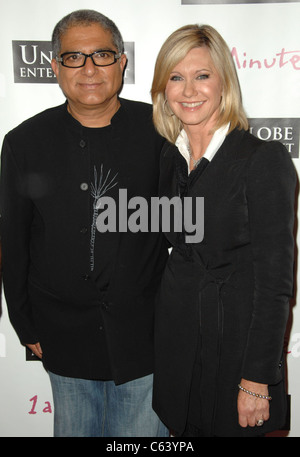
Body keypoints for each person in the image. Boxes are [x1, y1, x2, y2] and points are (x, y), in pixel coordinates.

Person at [0, 9, 169, 437]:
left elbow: (184, 230)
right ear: (55, 66)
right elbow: (14, 241)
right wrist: (24, 323)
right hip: (61, 331)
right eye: (74, 57)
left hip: (146, 333)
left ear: (122, 62)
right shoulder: (23, 142)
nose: (89, 69)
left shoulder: (161, 131)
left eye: (102, 55)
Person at [151, 24, 296, 437]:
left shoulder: (262, 159)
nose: (188, 90)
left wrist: (256, 379)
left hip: (235, 350)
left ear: (223, 83)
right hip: (178, 348)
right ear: (163, 89)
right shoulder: (169, 158)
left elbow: (275, 284)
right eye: (176, 77)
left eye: (202, 75)